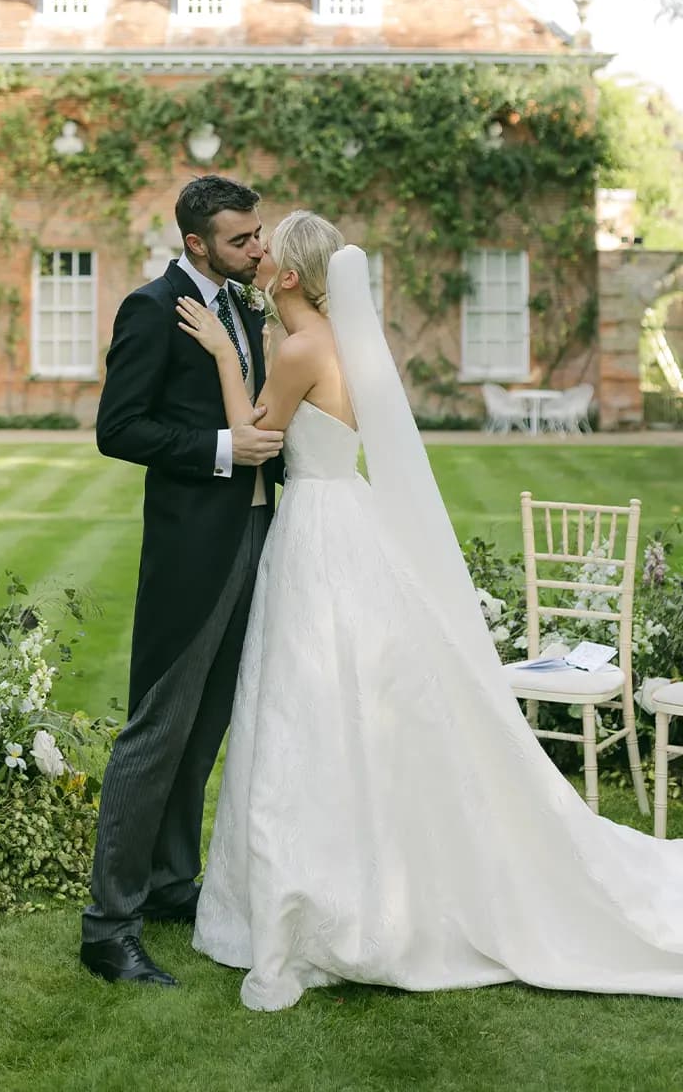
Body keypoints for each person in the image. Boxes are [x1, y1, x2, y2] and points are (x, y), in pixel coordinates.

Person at [179, 209, 683, 1012]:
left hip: (315, 527)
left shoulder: (302, 347)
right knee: (345, 696)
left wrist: (218, 355)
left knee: (306, 702)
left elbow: (253, 436)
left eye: (267, 254)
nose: (257, 261)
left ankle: (325, 892)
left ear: (289, 279)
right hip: (352, 519)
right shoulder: (341, 344)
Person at [79, 175, 284, 987]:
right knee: (157, 730)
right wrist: (225, 451)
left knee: (205, 731)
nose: (257, 249)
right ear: (197, 244)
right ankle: (107, 928)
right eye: (241, 240)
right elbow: (119, 428)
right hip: (192, 548)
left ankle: (170, 888)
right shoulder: (151, 308)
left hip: (260, 535)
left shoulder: (244, 307)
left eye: (259, 234)